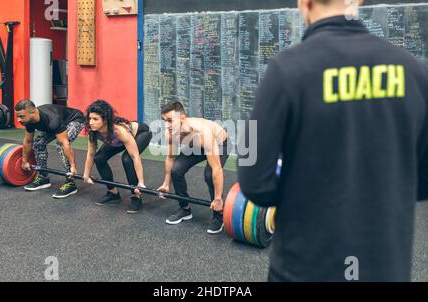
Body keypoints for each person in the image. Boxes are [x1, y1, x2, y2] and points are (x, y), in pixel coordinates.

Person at [238, 0, 428, 281]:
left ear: (304, 2)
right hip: (385, 269)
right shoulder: (413, 70)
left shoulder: (284, 70)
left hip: (303, 269)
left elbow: (252, 175)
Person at [157, 101, 232, 234]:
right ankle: (184, 208)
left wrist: (218, 198)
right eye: (164, 121)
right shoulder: (171, 133)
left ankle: (218, 214)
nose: (166, 125)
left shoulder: (203, 132)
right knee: (176, 170)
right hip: (195, 146)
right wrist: (166, 184)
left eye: (170, 121)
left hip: (220, 144)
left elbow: (217, 170)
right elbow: (170, 158)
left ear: (182, 118)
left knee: (209, 174)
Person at [83, 100, 152, 213]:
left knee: (127, 159)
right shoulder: (93, 132)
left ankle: (136, 196)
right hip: (117, 141)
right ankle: (113, 193)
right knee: (99, 158)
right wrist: (86, 174)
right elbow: (91, 154)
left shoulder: (119, 131)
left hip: (140, 133)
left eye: (95, 119)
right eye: (90, 118)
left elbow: (135, 157)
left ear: (105, 120)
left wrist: (140, 182)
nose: (91, 122)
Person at [16, 100, 85, 198]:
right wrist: (24, 160)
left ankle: (71, 183)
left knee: (60, 145)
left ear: (33, 112)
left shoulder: (52, 119)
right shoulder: (28, 120)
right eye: (18, 116)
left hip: (74, 120)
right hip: (55, 125)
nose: (19, 120)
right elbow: (28, 141)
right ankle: (43, 177)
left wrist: (73, 166)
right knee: (38, 143)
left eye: (21, 116)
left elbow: (65, 144)